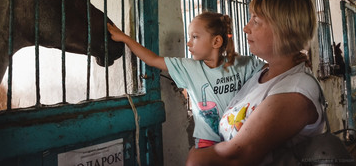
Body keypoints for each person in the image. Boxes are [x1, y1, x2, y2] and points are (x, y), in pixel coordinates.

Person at [185, 0, 325, 165]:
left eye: (256, 21)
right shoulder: (261, 74)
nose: (246, 27)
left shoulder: (296, 89)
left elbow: (239, 154)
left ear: (283, 30)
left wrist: (196, 157)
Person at [107, 11, 266, 148]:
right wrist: (125, 39)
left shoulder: (244, 65)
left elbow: (274, 74)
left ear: (216, 41)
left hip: (240, 139)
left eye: (195, 37)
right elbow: (153, 60)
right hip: (207, 143)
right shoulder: (188, 68)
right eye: (189, 37)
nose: (189, 43)